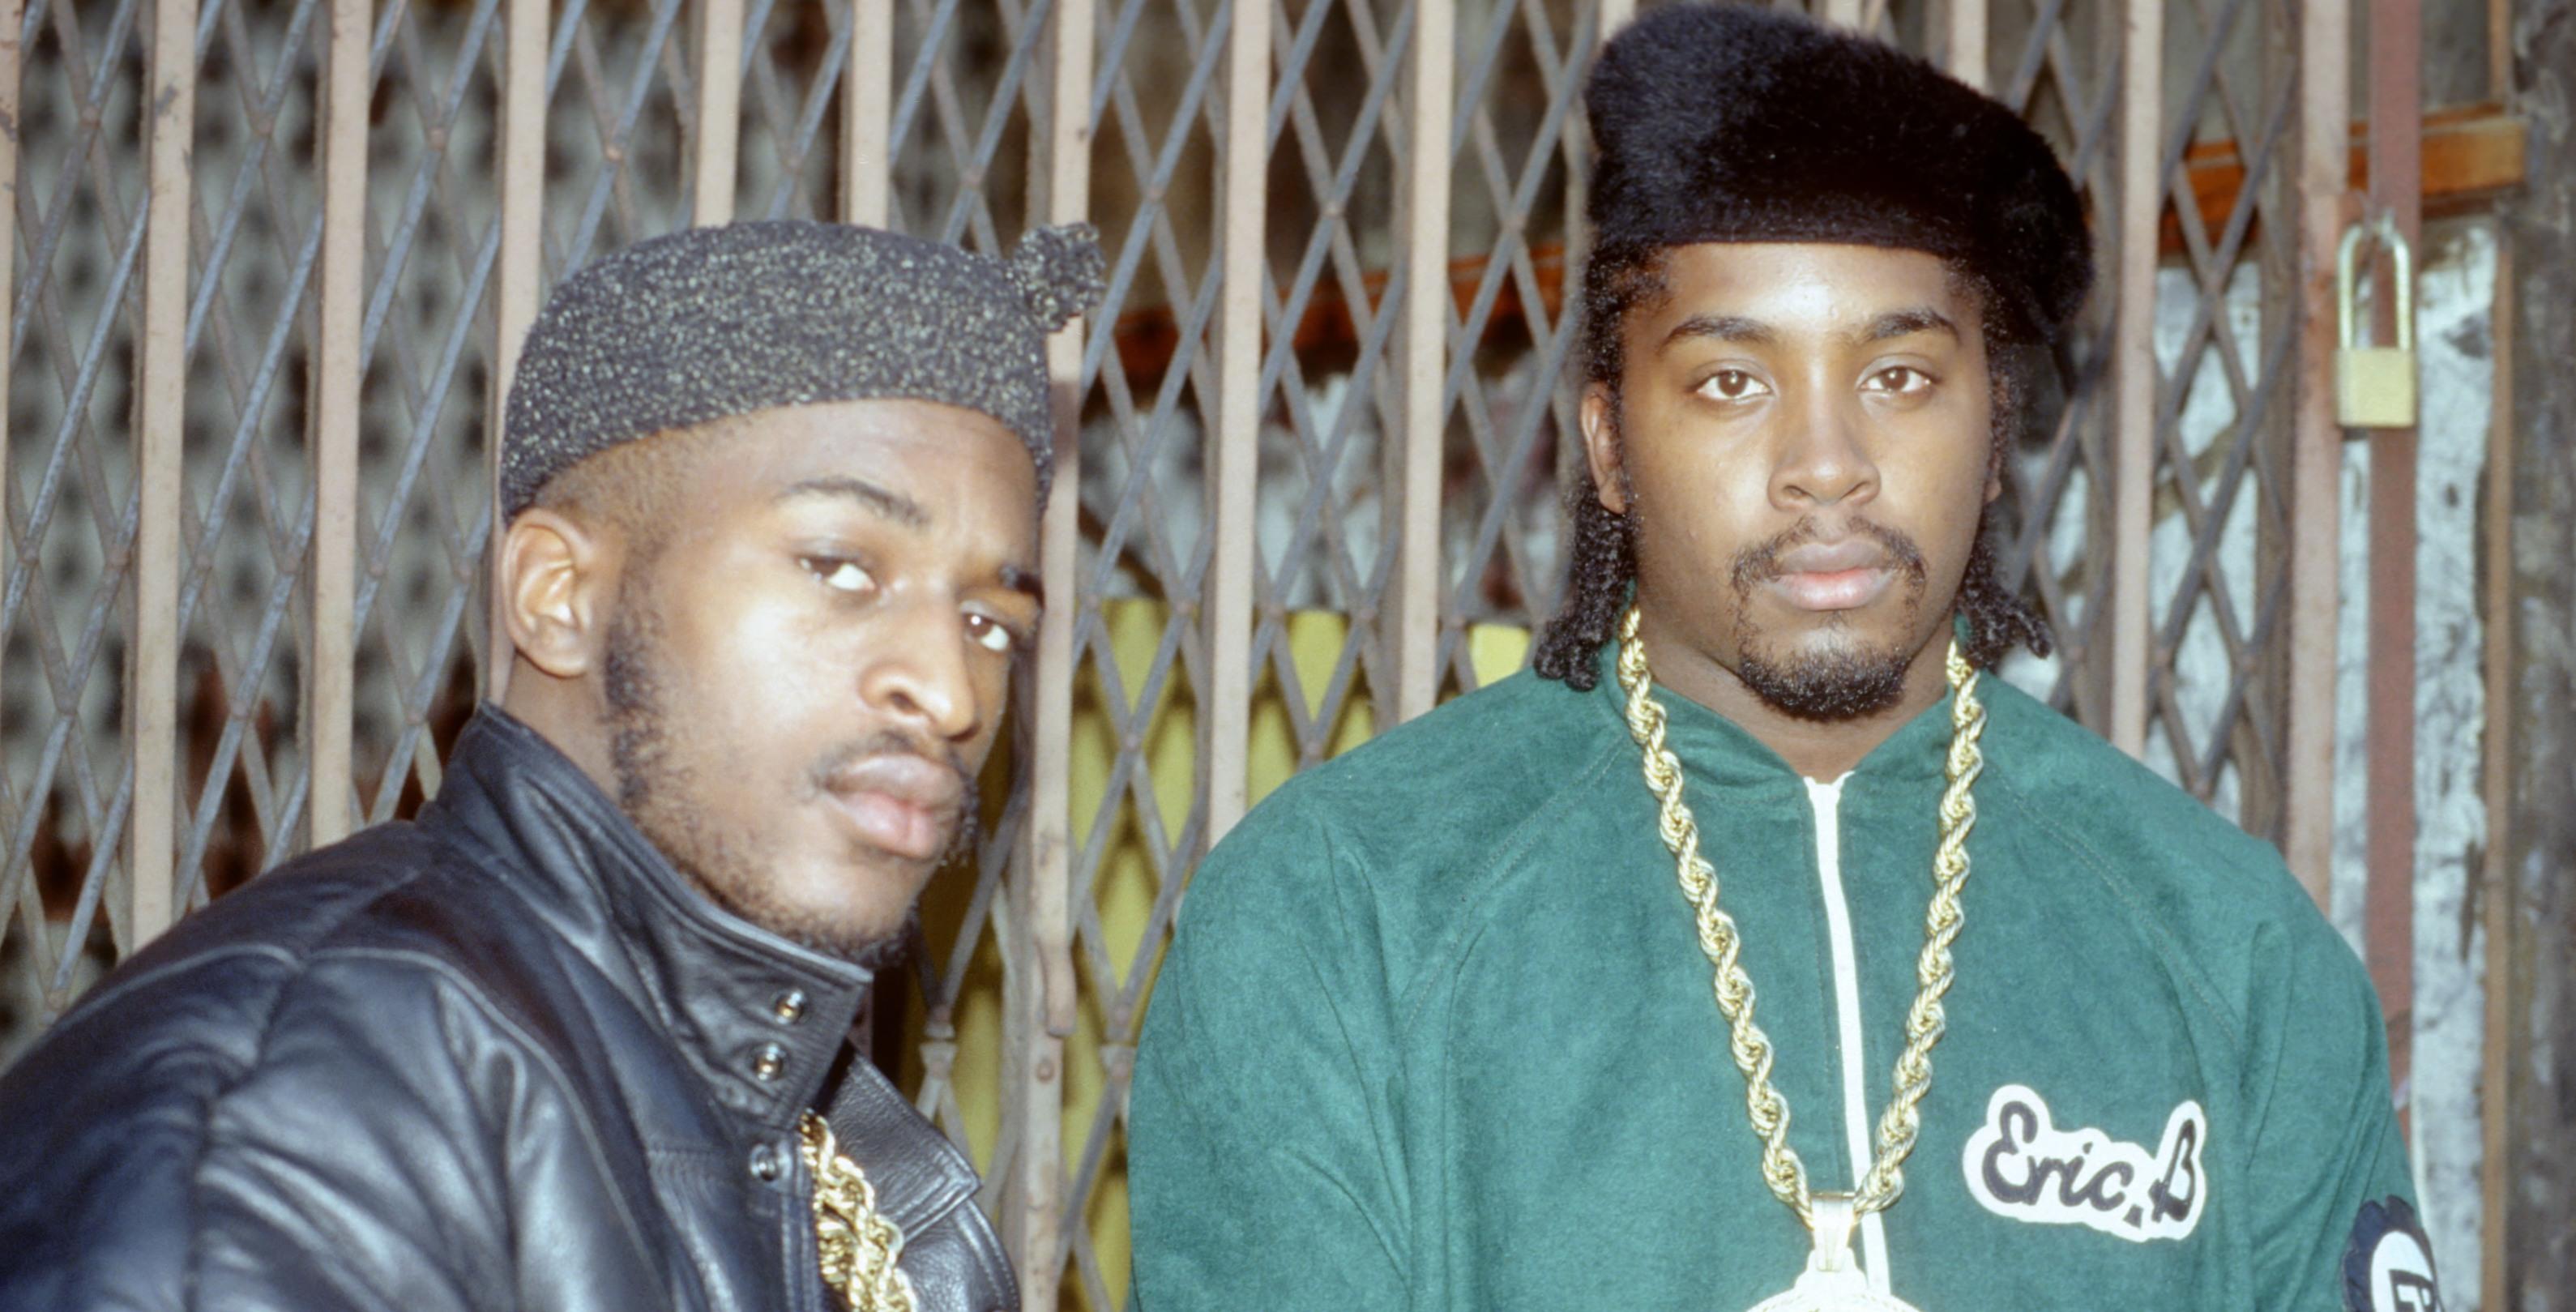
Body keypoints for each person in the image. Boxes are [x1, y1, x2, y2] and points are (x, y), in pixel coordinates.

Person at [1126, 8, 2436, 1311]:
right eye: (1731, 382)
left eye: (1903, 377)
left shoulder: (2234, 952)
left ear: (1996, 437)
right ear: (1609, 448)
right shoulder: (1337, 918)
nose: (1828, 463)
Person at [0, 220, 1101, 1312]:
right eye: (840, 569)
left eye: (989, 622)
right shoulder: (308, 1120)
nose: (951, 692)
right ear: (556, 597)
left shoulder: (806, 1126)